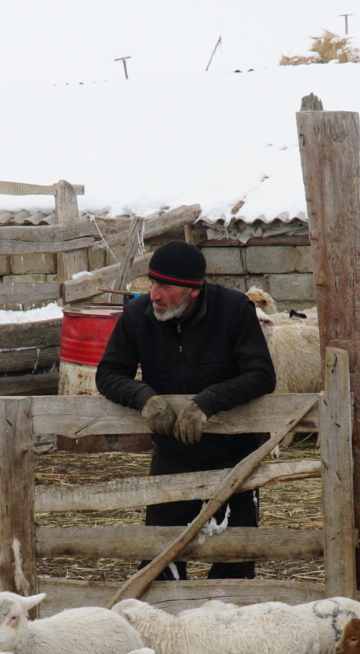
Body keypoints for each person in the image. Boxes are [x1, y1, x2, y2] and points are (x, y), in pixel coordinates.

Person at [94, 240, 277, 579]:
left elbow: (261, 375)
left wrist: (207, 402)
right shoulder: (138, 315)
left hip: (235, 455)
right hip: (173, 454)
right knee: (160, 556)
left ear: (193, 290)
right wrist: (144, 397)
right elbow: (108, 373)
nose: (154, 294)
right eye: (152, 282)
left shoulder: (234, 310)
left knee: (235, 556)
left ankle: (227, 623)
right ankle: (167, 623)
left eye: (165, 286)